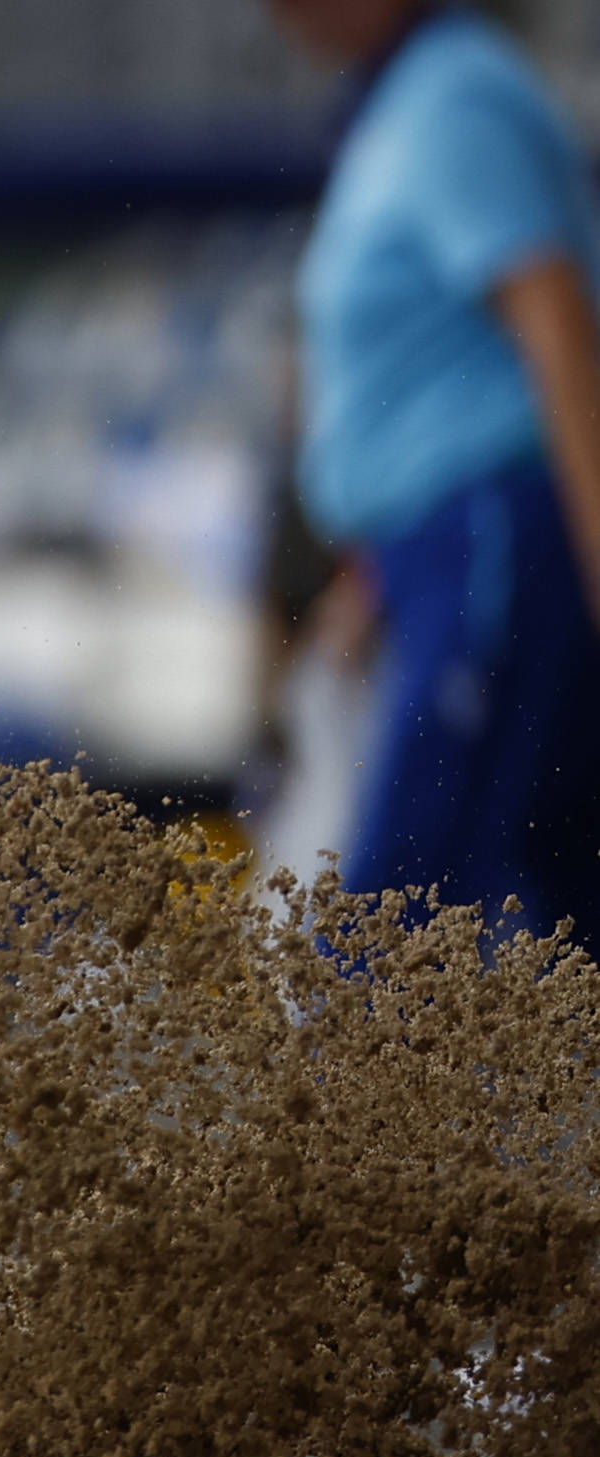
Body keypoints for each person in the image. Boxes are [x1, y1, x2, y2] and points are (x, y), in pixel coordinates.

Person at [266, 0, 600, 934]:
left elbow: (558, 328)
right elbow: (434, 375)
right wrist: (375, 574)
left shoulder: (456, 96)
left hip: (496, 539)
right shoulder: (411, 98)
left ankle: (344, 1088)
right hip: (448, 549)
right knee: (557, 888)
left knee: (401, 920)